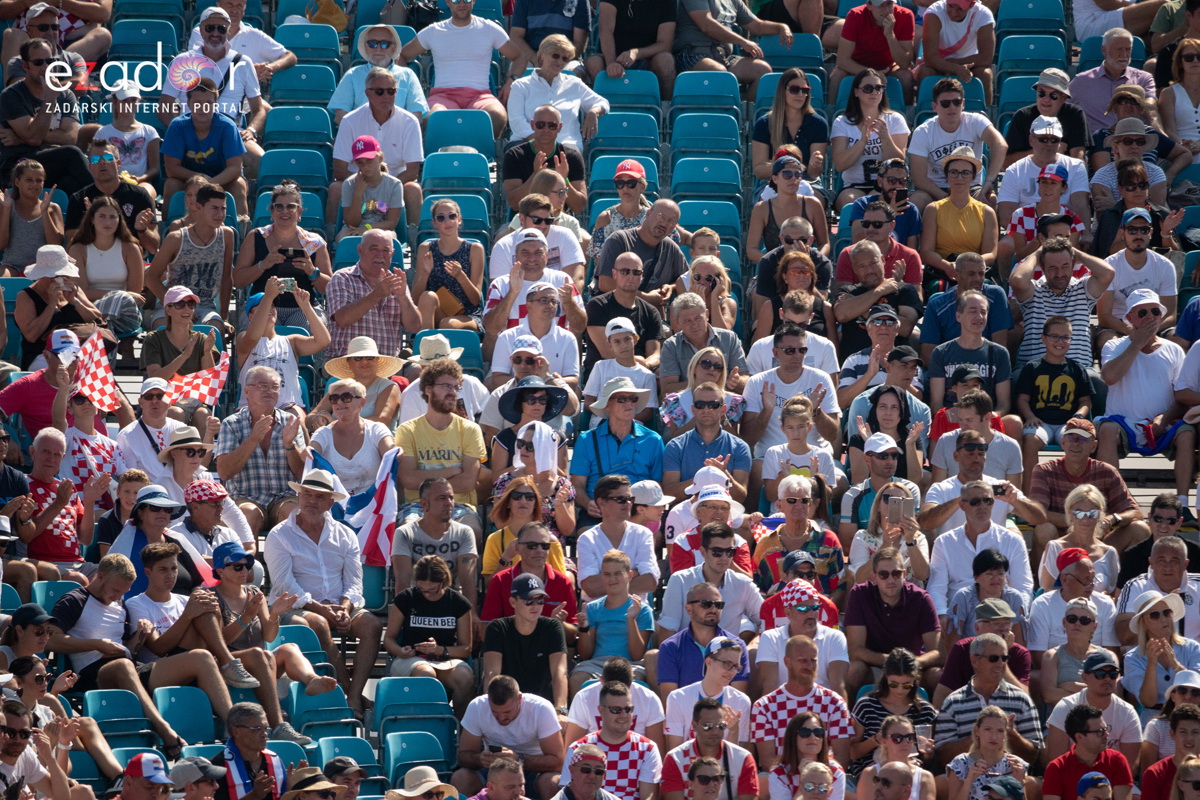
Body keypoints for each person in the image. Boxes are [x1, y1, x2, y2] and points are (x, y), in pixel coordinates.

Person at [48, 553, 233, 757]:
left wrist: (139, 637)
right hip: (93, 673)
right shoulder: (74, 600)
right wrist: (98, 644)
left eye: (123, 592)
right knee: (123, 666)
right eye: (115, 590)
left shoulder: (120, 606)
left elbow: (127, 648)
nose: (118, 596)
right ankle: (167, 732)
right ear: (100, 576)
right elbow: (51, 640)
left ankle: (235, 725)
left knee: (201, 657)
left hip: (129, 668)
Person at [263, 468, 383, 717]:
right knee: (317, 624)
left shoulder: (345, 534)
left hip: (336, 606)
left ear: (330, 503)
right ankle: (350, 695)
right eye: (307, 494)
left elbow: (354, 582)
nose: (311, 501)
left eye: (319, 497)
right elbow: (285, 585)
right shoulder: (279, 535)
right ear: (298, 497)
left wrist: (346, 608)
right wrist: (322, 609)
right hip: (294, 608)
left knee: (371, 625)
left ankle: (351, 695)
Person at [1098, 289, 1194, 511]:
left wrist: (1165, 418)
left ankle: (1183, 504)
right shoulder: (1114, 346)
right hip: (1123, 423)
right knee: (1107, 429)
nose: (1150, 317)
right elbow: (1110, 377)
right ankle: (1116, 502)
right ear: (1130, 318)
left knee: (1187, 432)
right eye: (1142, 312)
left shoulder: (1174, 350)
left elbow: (1181, 396)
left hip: (1163, 424)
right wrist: (1136, 344)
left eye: (1154, 311)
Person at [159, 7, 265, 177]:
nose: (215, 33)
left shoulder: (243, 63)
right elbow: (164, 107)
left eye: (221, 29)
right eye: (210, 28)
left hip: (230, 132)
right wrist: (180, 133)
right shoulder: (182, 61)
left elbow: (258, 109)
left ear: (228, 32)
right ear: (200, 30)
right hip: (190, 131)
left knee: (261, 161)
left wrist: (251, 131)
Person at [232, 180, 333, 331]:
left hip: (303, 307)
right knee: (258, 330)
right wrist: (263, 265)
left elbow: (330, 289)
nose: (284, 211)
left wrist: (312, 272)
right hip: (263, 304)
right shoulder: (256, 237)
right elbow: (238, 280)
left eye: (291, 207)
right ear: (272, 212)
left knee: (310, 330)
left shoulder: (315, 242)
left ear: (299, 213)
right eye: (279, 207)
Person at [329, 73, 423, 228]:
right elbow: (339, 170)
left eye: (391, 91)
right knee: (336, 188)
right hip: (358, 181)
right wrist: (363, 186)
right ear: (367, 93)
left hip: (396, 183)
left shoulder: (410, 122)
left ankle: (414, 242)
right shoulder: (350, 121)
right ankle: (330, 239)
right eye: (379, 91)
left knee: (413, 189)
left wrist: (386, 187)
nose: (386, 96)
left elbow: (413, 172)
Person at [1011, 237, 1115, 377]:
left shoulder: (1083, 288)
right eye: (1053, 268)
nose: (1059, 274)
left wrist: (1074, 252)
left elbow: (1108, 273)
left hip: (1078, 371)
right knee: (1016, 380)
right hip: (1033, 371)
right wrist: (1037, 254)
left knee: (1097, 384)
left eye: (1065, 266)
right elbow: (1017, 279)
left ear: (1073, 264)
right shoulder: (1033, 290)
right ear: (1042, 267)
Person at [933, 633, 1044, 764]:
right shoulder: (953, 702)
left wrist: (1013, 736)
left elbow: (1035, 756)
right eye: (993, 658)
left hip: (1009, 779)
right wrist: (977, 735)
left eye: (1004, 658)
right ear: (974, 660)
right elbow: (942, 756)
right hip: (966, 778)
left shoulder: (1021, 700)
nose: (1000, 664)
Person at [384, 553, 474, 715]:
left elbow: (466, 648)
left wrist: (440, 650)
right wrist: (400, 651)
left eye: (432, 590)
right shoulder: (406, 598)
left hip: (446, 658)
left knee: (464, 677)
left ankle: (461, 727)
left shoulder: (458, 603)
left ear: (443, 582)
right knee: (426, 674)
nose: (426, 594)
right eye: (422, 589)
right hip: (411, 659)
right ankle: (429, 723)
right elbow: (389, 639)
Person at [844, 548, 942, 695]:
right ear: (874, 577)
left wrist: (912, 663)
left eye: (896, 574)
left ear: (904, 574)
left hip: (911, 668)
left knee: (937, 675)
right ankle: (847, 717)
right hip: (874, 667)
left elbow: (939, 652)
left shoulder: (921, 598)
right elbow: (855, 651)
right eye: (883, 575)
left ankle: (935, 717)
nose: (890, 580)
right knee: (854, 670)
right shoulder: (859, 594)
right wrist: (893, 661)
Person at [453, 675, 566, 800]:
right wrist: (480, 759)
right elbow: (463, 756)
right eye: (495, 712)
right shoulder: (477, 706)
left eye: (507, 712)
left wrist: (519, 760)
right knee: (460, 778)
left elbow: (558, 762)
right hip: (493, 772)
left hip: (535, 772)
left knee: (552, 783)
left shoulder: (541, 709)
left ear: (519, 698)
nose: (501, 718)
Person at [0, 38, 90, 194]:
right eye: (38, 62)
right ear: (25, 66)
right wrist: (50, 99)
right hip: (16, 166)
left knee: (70, 183)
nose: (46, 67)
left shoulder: (66, 94)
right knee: (72, 154)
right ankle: (110, 198)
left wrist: (21, 138)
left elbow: (70, 138)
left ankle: (98, 213)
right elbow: (34, 139)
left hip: (49, 162)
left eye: (50, 61)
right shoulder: (11, 95)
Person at [750, 634, 853, 769]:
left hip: (824, 781)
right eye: (803, 660)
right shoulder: (764, 707)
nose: (810, 666)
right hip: (782, 781)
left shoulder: (834, 702)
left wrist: (815, 780)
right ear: (787, 662)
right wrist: (794, 780)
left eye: (813, 660)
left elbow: (842, 758)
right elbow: (767, 760)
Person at [569, 378, 663, 519]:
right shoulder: (587, 440)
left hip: (639, 513)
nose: (629, 404)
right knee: (586, 535)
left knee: (655, 537)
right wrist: (588, 504)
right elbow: (577, 485)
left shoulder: (653, 440)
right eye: (621, 399)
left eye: (633, 399)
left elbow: (659, 484)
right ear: (608, 405)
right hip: (600, 512)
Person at [1016, 317, 1093, 483]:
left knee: (1077, 441)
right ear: (1043, 338)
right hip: (1040, 422)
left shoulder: (1077, 368)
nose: (1060, 341)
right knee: (1030, 440)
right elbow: (1022, 399)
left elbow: (1085, 401)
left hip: (1067, 423)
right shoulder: (1032, 367)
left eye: (1066, 337)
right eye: (1054, 336)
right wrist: (1029, 416)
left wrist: (1078, 417)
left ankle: (1076, 490)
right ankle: (1031, 494)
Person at [325, 229, 422, 359]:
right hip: (347, 363)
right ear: (360, 250)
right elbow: (342, 319)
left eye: (385, 250)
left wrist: (403, 297)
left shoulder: (397, 282)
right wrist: (376, 294)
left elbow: (415, 327)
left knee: (417, 372)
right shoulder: (342, 278)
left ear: (392, 254)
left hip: (388, 365)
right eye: (374, 249)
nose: (380, 255)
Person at [908, 80, 1005, 210]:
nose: (952, 107)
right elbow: (919, 178)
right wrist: (946, 198)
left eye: (957, 102)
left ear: (963, 103)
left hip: (970, 186)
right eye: (945, 103)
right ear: (934, 106)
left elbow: (1000, 145)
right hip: (935, 189)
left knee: (991, 199)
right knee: (917, 201)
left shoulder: (976, 121)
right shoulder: (923, 131)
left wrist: (988, 183)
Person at [159, 78, 250, 216]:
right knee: (171, 185)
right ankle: (168, 229)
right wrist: (199, 179)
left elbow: (235, 168)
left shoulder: (227, 126)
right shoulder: (177, 126)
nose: (203, 108)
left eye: (208, 103)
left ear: (215, 104)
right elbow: (172, 169)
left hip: (221, 179)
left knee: (238, 185)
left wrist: (210, 183)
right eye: (197, 103)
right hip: (189, 180)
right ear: (188, 104)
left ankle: (242, 230)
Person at [234, 284, 329, 412]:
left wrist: (306, 307)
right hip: (251, 407)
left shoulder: (292, 341)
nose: (270, 308)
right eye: (262, 305)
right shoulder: (242, 338)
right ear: (250, 316)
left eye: (273, 305)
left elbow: (323, 341)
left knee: (296, 419)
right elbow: (252, 337)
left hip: (288, 406)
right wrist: (268, 297)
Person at [652, 579, 752, 699]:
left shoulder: (737, 646)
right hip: (685, 716)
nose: (714, 609)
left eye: (718, 605)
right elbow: (670, 701)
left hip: (725, 716)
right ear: (688, 609)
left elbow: (737, 699)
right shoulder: (670, 647)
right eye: (706, 604)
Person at [560, 683, 662, 800]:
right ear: (601, 711)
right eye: (616, 710)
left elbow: (648, 796)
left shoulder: (648, 748)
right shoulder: (577, 748)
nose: (623, 715)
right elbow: (568, 794)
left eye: (628, 709)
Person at [670, 0, 790, 97]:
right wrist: (742, 41)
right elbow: (706, 25)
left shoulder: (734, 1)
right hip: (692, 53)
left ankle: (743, 119)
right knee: (719, 73)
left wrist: (781, 27)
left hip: (723, 57)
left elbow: (757, 26)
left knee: (762, 70)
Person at [829, 70, 911, 211]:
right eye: (868, 88)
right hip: (854, 186)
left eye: (879, 88)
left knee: (878, 202)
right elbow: (840, 165)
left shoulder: (895, 120)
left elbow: (898, 165)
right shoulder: (842, 122)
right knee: (850, 202)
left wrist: (885, 138)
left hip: (888, 185)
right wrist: (862, 142)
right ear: (856, 92)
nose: (874, 92)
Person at [508, 36, 607, 152]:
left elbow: (602, 102)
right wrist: (543, 143)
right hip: (527, 144)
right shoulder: (520, 86)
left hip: (566, 146)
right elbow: (516, 122)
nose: (560, 61)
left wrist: (593, 112)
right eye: (555, 56)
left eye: (565, 59)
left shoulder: (574, 84)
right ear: (542, 55)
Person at [573, 551, 654, 691]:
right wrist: (584, 628)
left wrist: (630, 619)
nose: (612, 579)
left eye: (617, 573)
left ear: (629, 575)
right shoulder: (592, 608)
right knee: (577, 679)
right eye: (607, 574)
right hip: (597, 664)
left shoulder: (643, 610)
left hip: (630, 664)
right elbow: (586, 655)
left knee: (635, 682)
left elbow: (637, 655)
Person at [997, 116, 1091, 236]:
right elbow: (1006, 216)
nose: (1049, 144)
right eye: (1043, 139)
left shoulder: (1076, 166)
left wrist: (1084, 233)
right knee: (1005, 247)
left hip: (1065, 231)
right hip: (1024, 231)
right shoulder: (1015, 170)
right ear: (1031, 140)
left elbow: (1081, 207)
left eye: (1054, 140)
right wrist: (1036, 236)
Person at [392, 477, 479, 607]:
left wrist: (471, 614)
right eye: (441, 498)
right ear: (424, 504)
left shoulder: (464, 532)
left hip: (452, 602)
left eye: (451, 497)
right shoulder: (405, 533)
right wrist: (405, 616)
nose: (449, 502)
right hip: (417, 601)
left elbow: (468, 581)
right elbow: (402, 583)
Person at [1045, 651, 1141, 767]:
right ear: (1084, 678)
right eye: (1100, 674)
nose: (1107, 679)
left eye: (1113, 674)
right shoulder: (1065, 708)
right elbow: (1057, 763)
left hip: (1113, 781)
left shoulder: (1127, 712)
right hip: (1072, 778)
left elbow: (1129, 767)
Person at [1027, 550, 1120, 667]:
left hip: (1096, 672)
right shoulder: (1042, 605)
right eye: (1086, 579)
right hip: (1056, 671)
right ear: (1065, 579)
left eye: (1093, 578)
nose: (1092, 585)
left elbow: (1111, 651)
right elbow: (1038, 656)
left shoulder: (1105, 604)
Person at [756, 578, 848, 696]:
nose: (811, 614)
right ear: (788, 612)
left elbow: (838, 687)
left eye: (815, 608)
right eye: (803, 609)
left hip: (823, 706)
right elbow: (769, 687)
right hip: (782, 707)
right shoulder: (770, 638)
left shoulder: (835, 637)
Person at [920, 148, 998, 284]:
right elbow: (926, 252)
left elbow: (991, 254)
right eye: (954, 172)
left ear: (973, 177)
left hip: (975, 272)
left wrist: (967, 267)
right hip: (942, 272)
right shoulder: (933, 209)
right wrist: (947, 266)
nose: (959, 178)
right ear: (947, 176)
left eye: (965, 173)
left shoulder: (987, 212)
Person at [489, 284, 581, 397]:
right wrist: (532, 386)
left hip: (554, 400)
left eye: (554, 301)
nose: (550, 305)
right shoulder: (507, 336)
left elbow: (573, 380)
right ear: (528, 305)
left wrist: (545, 382)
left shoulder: (567, 338)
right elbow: (497, 379)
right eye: (543, 300)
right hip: (517, 400)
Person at [664, 636, 753, 751]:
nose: (732, 671)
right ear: (709, 661)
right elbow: (676, 752)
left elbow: (736, 758)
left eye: (736, 666)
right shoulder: (677, 697)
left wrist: (733, 731)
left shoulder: (742, 701)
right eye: (727, 664)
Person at [934, 598, 1031, 704]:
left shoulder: (1020, 653)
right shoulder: (962, 649)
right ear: (977, 628)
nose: (1003, 629)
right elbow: (941, 696)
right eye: (996, 623)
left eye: (1007, 623)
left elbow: (1024, 699)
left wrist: (1002, 656)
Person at [575, 477, 659, 599]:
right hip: (599, 615)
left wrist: (606, 582)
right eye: (621, 499)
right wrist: (632, 573)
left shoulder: (643, 534)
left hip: (637, 614)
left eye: (631, 499)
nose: (628, 503)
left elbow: (650, 582)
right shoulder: (587, 539)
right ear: (601, 502)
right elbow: (591, 588)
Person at [1123, 591, 1200, 722]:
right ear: (1144, 622)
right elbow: (1148, 700)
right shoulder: (1133, 658)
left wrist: (1176, 665)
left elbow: (1196, 689)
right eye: (1155, 615)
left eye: (1166, 612)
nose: (1163, 618)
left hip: (1191, 719)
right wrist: (1151, 664)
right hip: (1152, 720)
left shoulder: (1192, 647)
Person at [308, 378, 394, 496]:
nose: (339, 402)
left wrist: (395, 451)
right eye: (334, 398)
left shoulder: (376, 429)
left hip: (371, 504)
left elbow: (391, 452)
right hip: (334, 505)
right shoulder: (323, 433)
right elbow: (311, 453)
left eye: (346, 397)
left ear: (362, 402)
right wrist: (306, 451)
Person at [661, 697, 758, 800]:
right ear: (694, 725)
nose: (715, 731)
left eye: (720, 725)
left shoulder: (743, 758)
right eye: (707, 726)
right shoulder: (675, 759)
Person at [329, 24, 427, 126]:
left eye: (385, 44)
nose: (378, 48)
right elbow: (340, 116)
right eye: (372, 44)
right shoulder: (352, 74)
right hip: (361, 136)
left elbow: (416, 116)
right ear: (365, 47)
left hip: (397, 136)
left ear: (393, 47)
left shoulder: (408, 75)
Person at [412, 198, 486, 332]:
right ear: (434, 222)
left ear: (459, 219)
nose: (447, 221)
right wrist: (425, 274)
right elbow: (415, 299)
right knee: (428, 296)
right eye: (441, 218)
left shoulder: (475, 249)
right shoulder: (425, 248)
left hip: (467, 315)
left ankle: (425, 347)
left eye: (452, 216)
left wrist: (461, 276)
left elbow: (475, 300)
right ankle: (425, 347)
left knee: (448, 324)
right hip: (436, 313)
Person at [1070, 28, 1158, 132]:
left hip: (1134, 142)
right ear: (1104, 50)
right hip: (1098, 144)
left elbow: (1150, 106)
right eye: (1119, 49)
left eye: (1128, 49)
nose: (1124, 55)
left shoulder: (1144, 78)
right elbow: (1062, 109)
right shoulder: (1082, 81)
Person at [828, 1, 916, 104]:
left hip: (888, 67)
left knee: (906, 76)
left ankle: (906, 116)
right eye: (881, 5)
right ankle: (831, 111)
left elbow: (905, 63)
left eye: (889, 4)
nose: (886, 9)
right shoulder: (855, 15)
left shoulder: (905, 15)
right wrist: (874, 74)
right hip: (857, 65)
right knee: (838, 74)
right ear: (869, 5)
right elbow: (842, 61)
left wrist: (890, 35)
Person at [751, 69, 829, 185]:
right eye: (794, 90)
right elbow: (759, 171)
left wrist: (814, 165)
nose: (800, 94)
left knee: (813, 201)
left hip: (807, 182)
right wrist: (788, 166)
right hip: (773, 182)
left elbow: (813, 174)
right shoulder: (764, 123)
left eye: (805, 90)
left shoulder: (818, 124)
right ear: (782, 91)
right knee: (770, 201)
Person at [1039, 485, 1120, 594]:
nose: (1086, 518)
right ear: (1070, 514)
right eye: (1079, 513)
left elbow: (1113, 594)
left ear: (1100, 514)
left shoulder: (1110, 553)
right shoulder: (1055, 547)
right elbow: (1048, 590)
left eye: (1092, 513)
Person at [209, 702, 292, 800]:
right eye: (257, 729)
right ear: (236, 731)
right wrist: (255, 796)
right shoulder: (218, 766)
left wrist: (292, 786)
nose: (264, 734)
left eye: (266, 728)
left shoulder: (274, 760)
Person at [318, 335, 404, 430]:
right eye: (358, 358)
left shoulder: (389, 387)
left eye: (370, 357)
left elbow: (381, 419)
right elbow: (313, 415)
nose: (364, 362)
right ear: (349, 363)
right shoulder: (341, 386)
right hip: (337, 442)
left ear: (377, 360)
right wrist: (318, 419)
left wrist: (334, 424)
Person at [944, 707, 1031, 800]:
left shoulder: (1016, 764)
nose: (994, 736)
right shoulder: (961, 763)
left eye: (1000, 731)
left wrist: (1020, 783)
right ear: (977, 730)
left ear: (1005, 734)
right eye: (987, 729)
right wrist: (968, 781)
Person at [584, 318, 659, 425]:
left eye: (627, 339)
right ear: (610, 344)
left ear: (635, 339)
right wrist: (612, 415)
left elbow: (647, 414)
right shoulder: (600, 367)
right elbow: (588, 402)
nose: (623, 345)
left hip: (633, 427)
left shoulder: (647, 376)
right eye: (617, 341)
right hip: (602, 423)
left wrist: (624, 417)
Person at [660, 350, 747, 441]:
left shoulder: (733, 401)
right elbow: (674, 440)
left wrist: (722, 417)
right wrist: (700, 415)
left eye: (718, 367)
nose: (712, 369)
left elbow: (735, 441)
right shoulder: (675, 401)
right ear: (693, 368)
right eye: (706, 364)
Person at [1042, 713, 1134, 800]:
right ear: (1079, 737)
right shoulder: (1056, 768)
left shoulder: (1117, 760)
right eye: (1099, 731)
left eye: (1106, 729)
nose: (1106, 734)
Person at [1091, 120, 1170, 215]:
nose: (1134, 146)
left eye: (1140, 142)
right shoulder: (1102, 176)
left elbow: (1156, 214)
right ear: (1116, 147)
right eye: (1128, 141)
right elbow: (1105, 219)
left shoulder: (1155, 172)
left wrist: (1115, 206)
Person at [1117, 494, 1200, 585]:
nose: (1164, 525)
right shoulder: (1132, 555)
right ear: (1149, 518)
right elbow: (1121, 596)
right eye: (1158, 519)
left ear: (1179, 522)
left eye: (1170, 520)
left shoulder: (1196, 553)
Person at [1039, 596, 1108, 704]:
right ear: (1064, 622)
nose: (1077, 623)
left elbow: (1110, 696)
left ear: (1094, 627)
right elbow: (1049, 696)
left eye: (1085, 620)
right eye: (1072, 619)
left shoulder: (1107, 656)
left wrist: (1071, 686)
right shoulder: (1052, 656)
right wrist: (1093, 693)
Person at [1141, 704, 1200, 800]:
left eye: (1195, 732)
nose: (1189, 738)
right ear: (1172, 734)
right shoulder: (1154, 774)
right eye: (1183, 732)